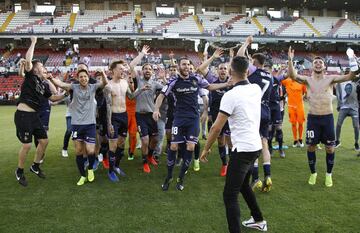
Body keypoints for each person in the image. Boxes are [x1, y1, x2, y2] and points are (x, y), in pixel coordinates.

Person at [200, 56, 267, 233]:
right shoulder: (255, 88)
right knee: (244, 185)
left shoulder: (231, 95)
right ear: (247, 71)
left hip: (243, 150)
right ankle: (259, 219)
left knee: (229, 195)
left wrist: (206, 148)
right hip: (255, 146)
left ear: (230, 72)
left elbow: (215, 127)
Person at [153, 57, 232, 191]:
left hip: (193, 119)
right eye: (183, 64)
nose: (186, 67)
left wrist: (225, 84)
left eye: (188, 64)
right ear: (179, 66)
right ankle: (169, 176)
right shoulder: (174, 81)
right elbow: (161, 95)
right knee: (173, 146)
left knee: (190, 147)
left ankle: (181, 178)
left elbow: (210, 87)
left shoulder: (196, 78)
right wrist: (156, 109)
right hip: (178, 118)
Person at [287, 46, 359, 187]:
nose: (318, 64)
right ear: (312, 66)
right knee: (311, 147)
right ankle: (313, 173)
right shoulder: (307, 80)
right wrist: (290, 59)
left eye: (320, 62)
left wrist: (352, 59)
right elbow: (293, 76)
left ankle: (328, 175)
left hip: (327, 119)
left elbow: (350, 76)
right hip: (313, 119)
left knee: (330, 148)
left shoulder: (331, 79)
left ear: (324, 66)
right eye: (316, 63)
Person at [14, 36, 68, 187]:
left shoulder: (43, 85)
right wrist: (33, 42)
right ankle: (19, 171)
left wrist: (66, 93)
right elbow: (29, 59)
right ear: (36, 68)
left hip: (34, 116)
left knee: (44, 141)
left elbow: (53, 98)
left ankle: (35, 166)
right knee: (27, 145)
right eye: (43, 67)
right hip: (23, 114)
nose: (45, 69)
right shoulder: (31, 76)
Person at [50, 68, 108, 185]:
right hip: (77, 125)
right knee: (78, 151)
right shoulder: (74, 87)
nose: (83, 78)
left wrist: (102, 73)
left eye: (85, 76)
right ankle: (82, 175)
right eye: (81, 77)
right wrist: (51, 78)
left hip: (90, 124)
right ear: (78, 78)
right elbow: (61, 84)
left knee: (91, 151)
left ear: (88, 78)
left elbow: (105, 83)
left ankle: (90, 169)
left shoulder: (93, 87)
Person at [237, 36, 273, 192]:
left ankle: (256, 178)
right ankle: (268, 176)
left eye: (251, 61)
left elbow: (239, 57)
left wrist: (246, 43)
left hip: (254, 110)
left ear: (255, 62)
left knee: (254, 144)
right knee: (264, 143)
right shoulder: (269, 76)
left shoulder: (254, 71)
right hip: (266, 110)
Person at [104, 60, 147, 181]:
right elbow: (108, 106)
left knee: (121, 144)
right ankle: (111, 171)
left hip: (124, 115)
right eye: (120, 69)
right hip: (113, 117)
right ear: (113, 70)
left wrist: (141, 89)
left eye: (123, 68)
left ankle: (116, 166)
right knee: (112, 146)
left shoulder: (124, 83)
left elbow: (131, 96)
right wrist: (109, 123)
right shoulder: (108, 86)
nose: (123, 70)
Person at [334, 68, 360, 150]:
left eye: (348, 71)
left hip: (354, 107)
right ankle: (337, 141)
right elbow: (338, 94)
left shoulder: (355, 81)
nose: (346, 72)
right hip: (344, 107)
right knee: (338, 124)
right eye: (345, 71)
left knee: (356, 126)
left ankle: (356, 142)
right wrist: (339, 104)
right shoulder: (340, 82)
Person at [281, 72, 307, 148]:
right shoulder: (287, 81)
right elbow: (277, 80)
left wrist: (304, 97)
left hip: (300, 106)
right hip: (291, 106)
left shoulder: (302, 82)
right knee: (293, 124)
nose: (292, 75)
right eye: (291, 73)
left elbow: (305, 92)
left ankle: (300, 139)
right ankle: (295, 140)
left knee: (301, 123)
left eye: (294, 73)